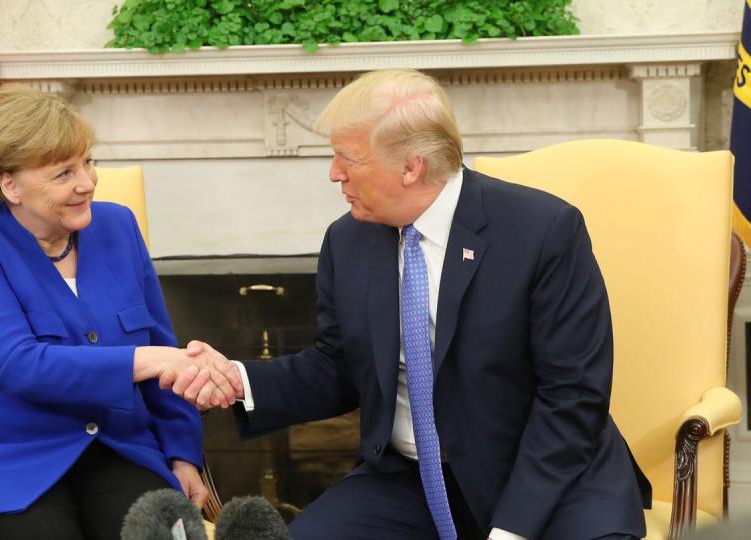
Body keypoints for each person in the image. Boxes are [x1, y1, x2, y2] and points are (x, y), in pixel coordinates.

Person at [164, 69, 652, 539]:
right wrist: (237, 379)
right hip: (409, 484)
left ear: (411, 166)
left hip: (545, 479)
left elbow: (572, 396)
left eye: (347, 158)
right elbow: (338, 367)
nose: (334, 174)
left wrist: (512, 531)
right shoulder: (348, 240)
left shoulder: (542, 231)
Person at [0, 85, 240, 540]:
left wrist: (182, 453)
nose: (86, 182)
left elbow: (161, 340)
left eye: (88, 162)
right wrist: (154, 360)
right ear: (10, 184)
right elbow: (16, 363)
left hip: (118, 449)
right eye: (64, 172)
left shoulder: (117, 225)